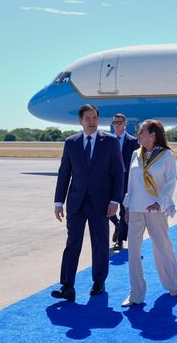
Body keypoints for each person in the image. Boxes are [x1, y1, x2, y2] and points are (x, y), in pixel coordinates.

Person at [51, 104, 124, 301]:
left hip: (101, 203)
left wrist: (115, 200)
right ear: (80, 121)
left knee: (100, 243)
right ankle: (67, 286)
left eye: (94, 118)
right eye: (88, 119)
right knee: (72, 243)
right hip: (76, 202)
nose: (92, 122)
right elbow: (64, 173)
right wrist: (58, 201)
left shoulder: (109, 142)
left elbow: (118, 173)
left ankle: (99, 282)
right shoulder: (71, 142)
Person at [121, 119, 177, 307]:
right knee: (133, 252)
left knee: (162, 247)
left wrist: (161, 202)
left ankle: (172, 283)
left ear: (152, 135)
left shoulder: (166, 155)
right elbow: (130, 183)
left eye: (141, 131)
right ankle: (136, 294)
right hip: (136, 209)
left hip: (155, 208)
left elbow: (171, 182)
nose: (138, 134)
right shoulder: (135, 154)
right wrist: (127, 207)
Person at [110, 113, 139, 252]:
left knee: (123, 209)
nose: (117, 125)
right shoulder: (108, 140)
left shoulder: (133, 141)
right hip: (110, 179)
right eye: (115, 123)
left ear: (125, 123)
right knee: (105, 208)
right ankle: (117, 225)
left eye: (120, 122)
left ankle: (120, 240)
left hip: (126, 179)